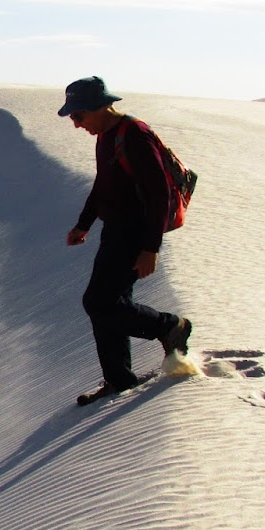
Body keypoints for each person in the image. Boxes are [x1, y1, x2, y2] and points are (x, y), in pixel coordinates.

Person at [59, 76, 191, 404]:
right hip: (115, 230)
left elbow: (159, 194)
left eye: (78, 115)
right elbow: (103, 184)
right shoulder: (106, 135)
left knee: (99, 302)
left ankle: (170, 327)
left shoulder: (134, 135)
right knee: (106, 303)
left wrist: (150, 248)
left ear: (100, 107)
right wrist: (84, 224)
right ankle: (119, 380)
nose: (76, 124)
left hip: (136, 232)